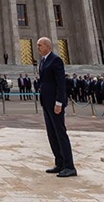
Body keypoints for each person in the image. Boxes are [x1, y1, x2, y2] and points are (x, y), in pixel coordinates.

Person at [37, 37, 77, 178]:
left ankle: (69, 166)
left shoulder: (56, 60)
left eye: (39, 45)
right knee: (52, 134)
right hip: (46, 103)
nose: (38, 48)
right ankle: (59, 163)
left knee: (60, 133)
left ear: (47, 46)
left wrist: (59, 102)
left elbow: (61, 83)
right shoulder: (43, 61)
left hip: (55, 104)